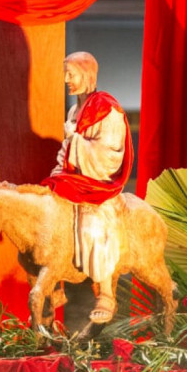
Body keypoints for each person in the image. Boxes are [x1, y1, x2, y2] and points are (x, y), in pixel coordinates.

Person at [41, 51, 134, 323]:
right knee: (49, 215)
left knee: (92, 226)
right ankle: (56, 284)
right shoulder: (73, 110)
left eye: (71, 74)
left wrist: (77, 141)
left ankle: (106, 292)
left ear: (87, 74)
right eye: (65, 74)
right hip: (75, 180)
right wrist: (56, 175)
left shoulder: (108, 108)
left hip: (98, 184)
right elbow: (65, 151)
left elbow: (110, 155)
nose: (66, 80)